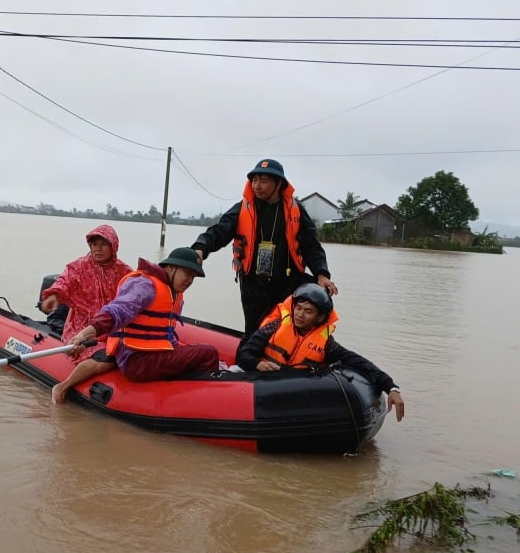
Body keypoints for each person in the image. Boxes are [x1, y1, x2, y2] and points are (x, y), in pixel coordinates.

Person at [191, 158, 338, 339]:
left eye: (263, 181)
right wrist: (200, 249)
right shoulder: (242, 209)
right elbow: (219, 231)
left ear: (278, 184)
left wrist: (322, 274)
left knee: (320, 297)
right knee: (255, 333)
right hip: (253, 283)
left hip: (287, 281)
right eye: (254, 180)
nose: (256, 186)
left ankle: (311, 351)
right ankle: (249, 362)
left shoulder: (296, 211)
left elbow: (311, 246)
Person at [52, 247, 221, 403]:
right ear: (170, 268)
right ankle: (205, 400)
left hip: (153, 353)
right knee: (208, 353)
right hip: (137, 360)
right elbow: (116, 311)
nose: (190, 280)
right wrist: (84, 335)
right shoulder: (145, 286)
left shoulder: (173, 293)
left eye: (193, 276)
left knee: (198, 351)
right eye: (187, 273)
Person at [235, 283, 404, 422]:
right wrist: (258, 364)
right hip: (258, 382)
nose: (300, 315)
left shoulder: (326, 345)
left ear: (320, 318)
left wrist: (391, 387)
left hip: (290, 394)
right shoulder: (274, 326)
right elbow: (244, 355)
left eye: (308, 311)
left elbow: (357, 361)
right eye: (298, 308)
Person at [39, 224, 133, 360]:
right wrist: (54, 295)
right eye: (94, 244)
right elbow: (65, 281)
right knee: (98, 355)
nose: (98, 249)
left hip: (111, 327)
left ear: (113, 246)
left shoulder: (124, 271)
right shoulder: (79, 266)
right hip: (81, 327)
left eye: (103, 244)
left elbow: (136, 295)